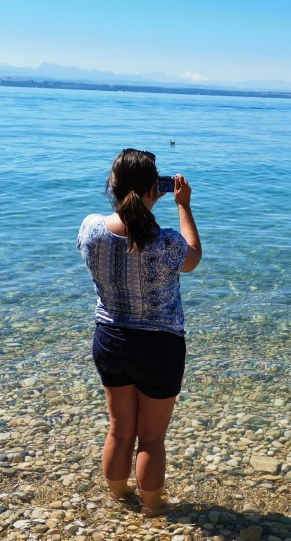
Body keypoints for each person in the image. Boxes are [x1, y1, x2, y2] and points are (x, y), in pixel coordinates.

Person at [77, 148, 202, 516]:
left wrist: (143, 204)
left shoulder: (91, 228)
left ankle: (118, 499)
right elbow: (192, 257)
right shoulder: (165, 242)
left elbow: (118, 235)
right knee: (150, 439)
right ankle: (152, 509)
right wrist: (182, 206)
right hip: (158, 347)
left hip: (110, 339)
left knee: (118, 431)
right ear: (154, 188)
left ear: (112, 186)